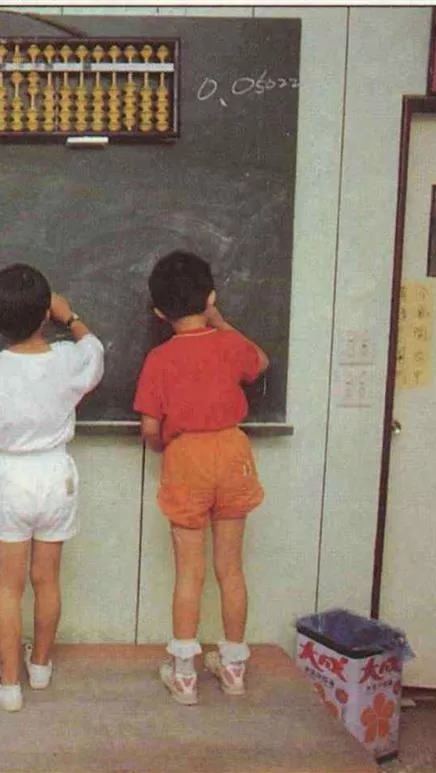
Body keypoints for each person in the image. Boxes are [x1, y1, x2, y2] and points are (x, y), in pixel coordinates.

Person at [0, 264, 105, 712]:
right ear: (44, 315)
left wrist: (4, 456)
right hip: (56, 473)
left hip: (11, 476)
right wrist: (70, 316)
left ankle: (8, 683)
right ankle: (39, 666)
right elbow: (95, 351)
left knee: (9, 585)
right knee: (47, 579)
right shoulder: (67, 358)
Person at [132, 250, 269, 706]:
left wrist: (162, 447)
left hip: (186, 455)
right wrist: (221, 320)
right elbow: (260, 362)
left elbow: (150, 427)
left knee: (189, 573)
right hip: (232, 451)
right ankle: (233, 669)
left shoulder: (159, 359)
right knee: (231, 568)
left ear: (158, 311)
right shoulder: (228, 345)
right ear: (210, 297)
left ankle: (185, 675)